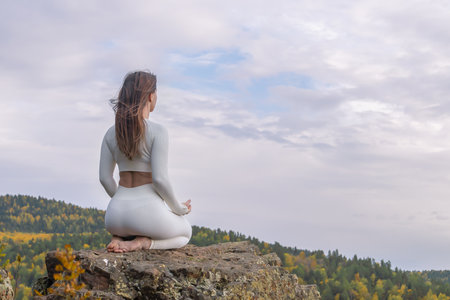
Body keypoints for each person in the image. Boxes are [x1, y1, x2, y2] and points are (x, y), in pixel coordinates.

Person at [99, 70, 192, 253]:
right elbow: (160, 180)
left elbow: (104, 178)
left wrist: (121, 200)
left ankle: (120, 236)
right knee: (185, 233)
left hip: (114, 216)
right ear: (151, 96)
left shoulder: (110, 133)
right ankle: (142, 243)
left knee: (129, 222)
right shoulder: (158, 131)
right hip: (147, 214)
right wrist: (178, 208)